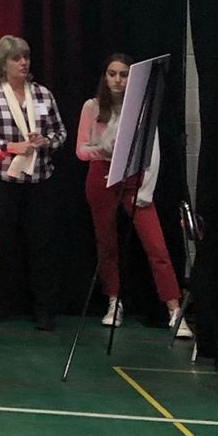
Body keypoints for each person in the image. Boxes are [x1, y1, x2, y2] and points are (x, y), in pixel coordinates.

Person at [77, 54, 185, 331]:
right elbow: (81, 150)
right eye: (112, 74)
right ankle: (114, 301)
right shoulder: (92, 106)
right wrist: (104, 148)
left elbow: (153, 151)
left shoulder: (140, 108)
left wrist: (145, 189)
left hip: (133, 176)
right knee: (106, 242)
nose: (117, 80)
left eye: (123, 75)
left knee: (155, 245)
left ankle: (174, 308)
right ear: (105, 76)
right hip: (101, 175)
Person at [0, 35, 69, 328]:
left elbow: (61, 132)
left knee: (42, 244)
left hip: (39, 178)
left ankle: (44, 309)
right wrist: (8, 147)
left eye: (26, 57)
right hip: (1, 178)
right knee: (1, 244)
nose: (24, 63)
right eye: (16, 58)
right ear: (2, 63)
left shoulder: (42, 94)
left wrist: (46, 141)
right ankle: (1, 306)